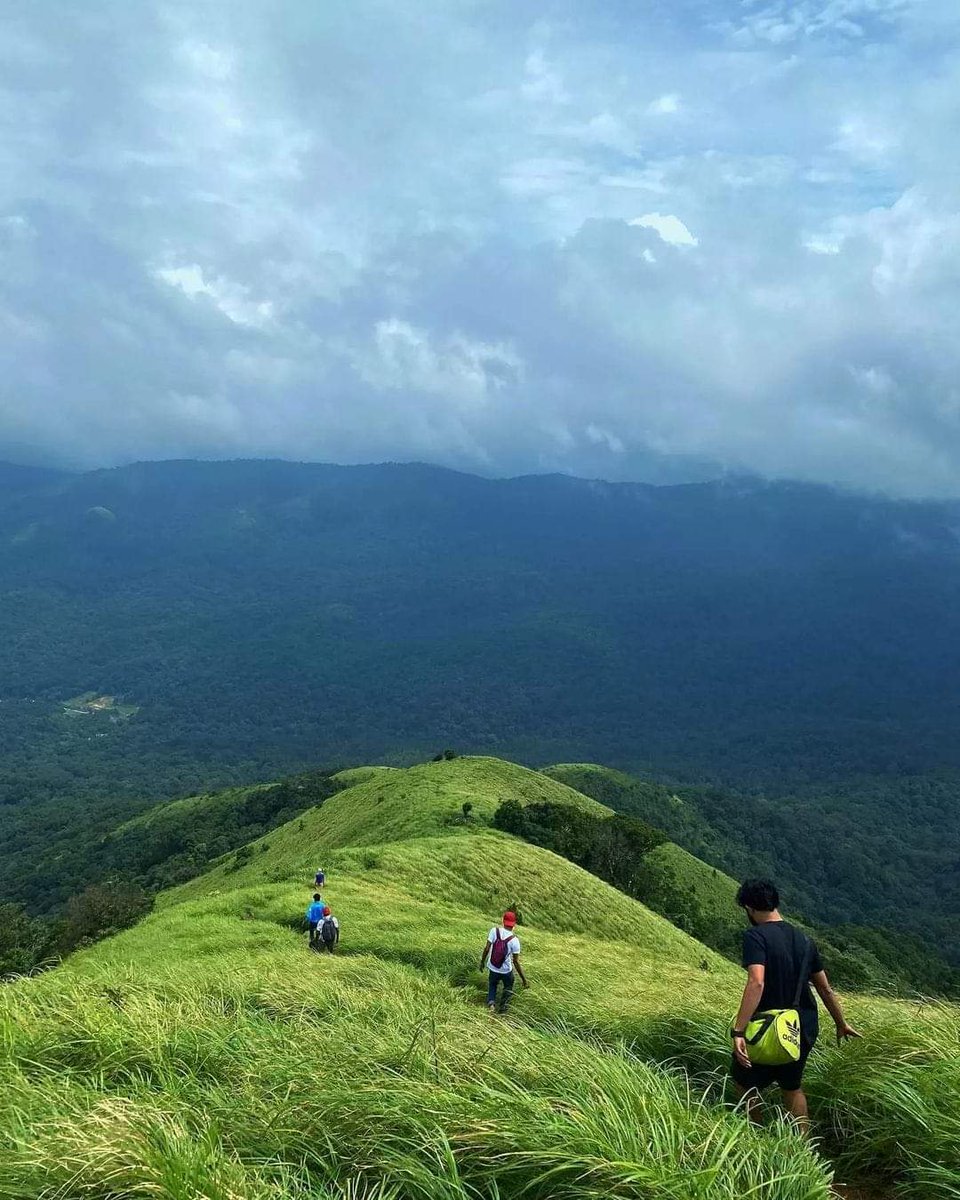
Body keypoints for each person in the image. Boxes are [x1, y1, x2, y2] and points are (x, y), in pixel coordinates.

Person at [730, 879, 861, 1132]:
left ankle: (755, 1136)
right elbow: (824, 987)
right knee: (791, 1086)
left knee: (744, 1082)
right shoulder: (804, 940)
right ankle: (804, 1148)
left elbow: (757, 982)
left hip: (768, 1028)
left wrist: (739, 1031)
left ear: (749, 907)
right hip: (801, 1027)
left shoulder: (755, 936)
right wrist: (840, 1022)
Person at [479, 911, 528, 1014]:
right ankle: (503, 1010)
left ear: (503, 921)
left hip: (493, 967)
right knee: (508, 987)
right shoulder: (515, 940)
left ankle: (491, 1004)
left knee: (492, 985)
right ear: (514, 924)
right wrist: (524, 979)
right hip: (506, 970)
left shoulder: (494, 931)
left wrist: (482, 962)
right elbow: (515, 962)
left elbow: (487, 948)